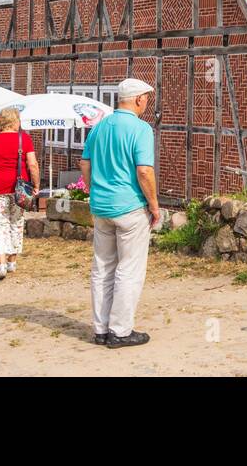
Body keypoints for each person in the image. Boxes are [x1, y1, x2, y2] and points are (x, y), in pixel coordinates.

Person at [80, 77, 161, 349]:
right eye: (146, 99)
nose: (147, 103)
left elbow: (85, 163)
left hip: (101, 207)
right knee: (129, 269)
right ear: (139, 100)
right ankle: (121, 331)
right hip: (129, 207)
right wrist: (153, 204)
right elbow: (144, 171)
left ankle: (100, 328)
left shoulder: (99, 126)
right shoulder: (141, 129)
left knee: (102, 267)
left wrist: (94, 191)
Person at [0, 107, 40, 280]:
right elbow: (33, 164)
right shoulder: (25, 139)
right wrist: (36, 185)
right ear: (15, 121)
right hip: (19, 188)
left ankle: (1, 264)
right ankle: (12, 262)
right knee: (16, 222)